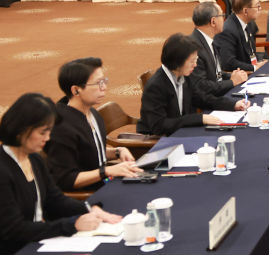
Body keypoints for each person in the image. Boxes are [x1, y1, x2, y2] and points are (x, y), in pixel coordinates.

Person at [0, 93, 121, 253]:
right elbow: (13, 229)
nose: (48, 138)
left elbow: (54, 200)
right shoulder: (3, 170)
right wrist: (72, 224)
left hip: (36, 242)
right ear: (21, 130)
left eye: (49, 131)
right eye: (42, 132)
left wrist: (89, 209)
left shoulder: (34, 159)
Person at [45, 58, 143, 192]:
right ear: (76, 90)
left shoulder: (92, 113)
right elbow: (65, 179)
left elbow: (90, 151)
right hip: (89, 193)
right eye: (98, 83)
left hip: (105, 182)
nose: (104, 87)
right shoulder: (61, 127)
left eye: (104, 81)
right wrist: (106, 171)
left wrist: (117, 151)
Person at [137, 34, 249, 136]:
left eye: (196, 60)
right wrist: (200, 118)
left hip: (181, 131)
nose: (195, 65)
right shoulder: (155, 86)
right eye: (192, 61)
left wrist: (233, 105)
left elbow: (203, 98)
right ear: (177, 61)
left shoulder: (184, 75)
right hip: (159, 139)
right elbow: (159, 125)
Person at [189, 2, 248, 96]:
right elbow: (202, 86)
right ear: (213, 21)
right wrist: (232, 82)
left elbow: (215, 73)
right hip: (207, 99)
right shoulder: (194, 48)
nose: (224, 19)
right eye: (222, 16)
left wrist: (234, 76)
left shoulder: (209, 40)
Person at [216, 0, 264, 73]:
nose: (260, 9)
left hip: (251, 65)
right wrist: (254, 67)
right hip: (241, 74)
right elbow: (228, 63)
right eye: (257, 6)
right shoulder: (227, 31)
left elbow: (251, 50)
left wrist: (260, 63)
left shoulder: (250, 22)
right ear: (245, 11)